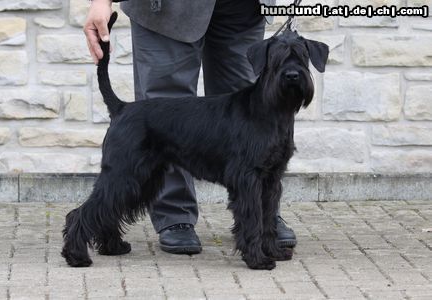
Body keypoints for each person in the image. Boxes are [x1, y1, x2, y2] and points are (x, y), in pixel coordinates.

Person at [84, 0, 297, 254]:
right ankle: (175, 218)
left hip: (243, 9)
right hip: (166, 8)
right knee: (163, 105)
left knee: (253, 114)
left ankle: (262, 225)